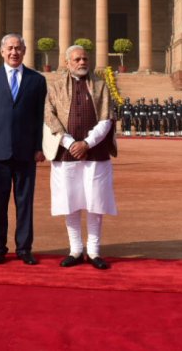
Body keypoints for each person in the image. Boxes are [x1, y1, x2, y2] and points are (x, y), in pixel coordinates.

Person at [44, 45, 117, 270]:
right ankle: (75, 249)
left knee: (95, 202)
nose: (82, 62)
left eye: (85, 58)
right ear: (67, 63)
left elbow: (106, 118)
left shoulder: (101, 86)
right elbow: (49, 117)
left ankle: (94, 251)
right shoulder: (55, 88)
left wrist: (87, 143)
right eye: (77, 59)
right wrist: (70, 143)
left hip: (95, 152)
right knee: (71, 202)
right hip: (66, 153)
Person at [0, 33, 47, 265]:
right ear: (1, 51)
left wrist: (39, 147)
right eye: (10, 48)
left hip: (27, 151)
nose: (14, 52)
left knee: (25, 202)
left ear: (24, 51)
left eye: (18, 48)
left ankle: (24, 248)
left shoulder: (37, 80)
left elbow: (40, 118)